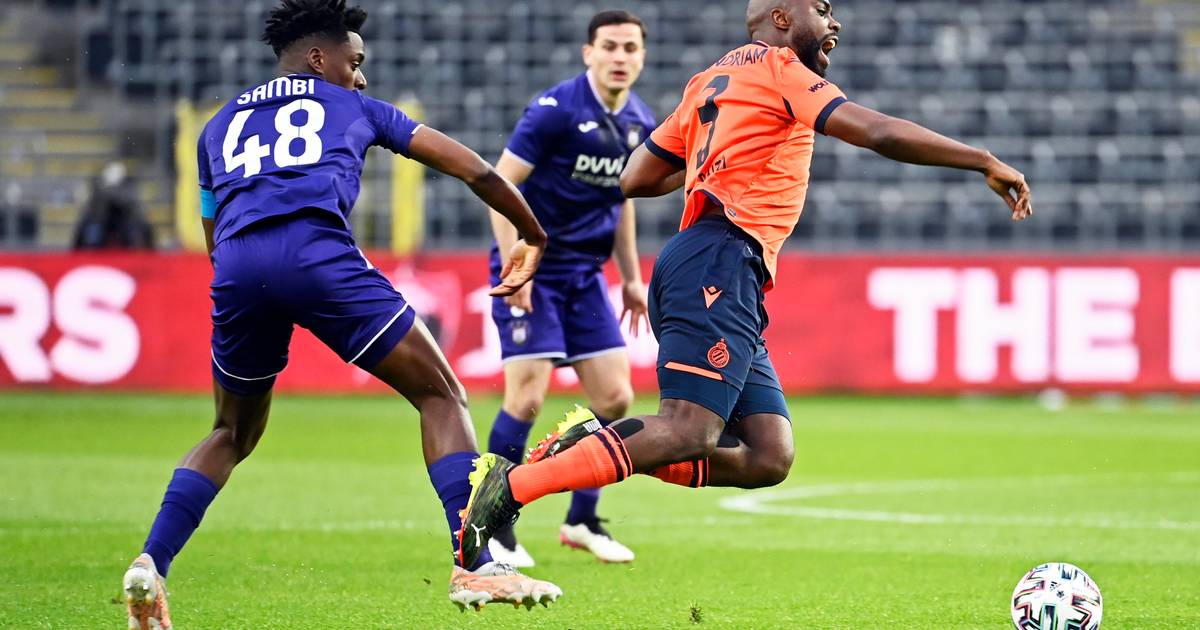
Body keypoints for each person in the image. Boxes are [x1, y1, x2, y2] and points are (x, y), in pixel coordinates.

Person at [454, 0, 1033, 571]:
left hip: (719, 265)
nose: (834, 21)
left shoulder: (710, 80)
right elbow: (877, 132)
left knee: (767, 455)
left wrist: (721, 154)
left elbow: (634, 177)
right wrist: (981, 159)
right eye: (821, 9)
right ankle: (513, 488)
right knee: (689, 429)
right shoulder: (783, 69)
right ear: (782, 18)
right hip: (718, 261)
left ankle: (587, 446)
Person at [120, 2, 560, 627]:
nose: (360, 75)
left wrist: (258, 284)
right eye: (354, 62)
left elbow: (212, 232)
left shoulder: (215, 126)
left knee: (230, 433)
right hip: (316, 255)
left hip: (238, 268)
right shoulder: (356, 108)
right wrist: (532, 233)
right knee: (440, 395)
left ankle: (151, 562)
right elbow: (476, 170)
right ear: (317, 58)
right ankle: (476, 562)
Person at [482, 9, 655, 567]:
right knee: (527, 397)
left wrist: (631, 277)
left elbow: (623, 202)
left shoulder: (640, 122)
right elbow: (499, 186)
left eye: (630, 48)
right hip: (534, 267)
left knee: (616, 398)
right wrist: (517, 264)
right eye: (610, 46)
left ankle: (581, 519)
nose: (620, 57)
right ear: (589, 53)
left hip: (584, 276)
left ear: (642, 57)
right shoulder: (555, 110)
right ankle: (492, 524)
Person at [72, 162, 156, 250]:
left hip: (124, 222)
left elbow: (132, 210)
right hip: (100, 220)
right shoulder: (97, 188)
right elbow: (95, 211)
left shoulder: (128, 190)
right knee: (93, 228)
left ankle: (135, 251)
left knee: (134, 228)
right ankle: (90, 250)